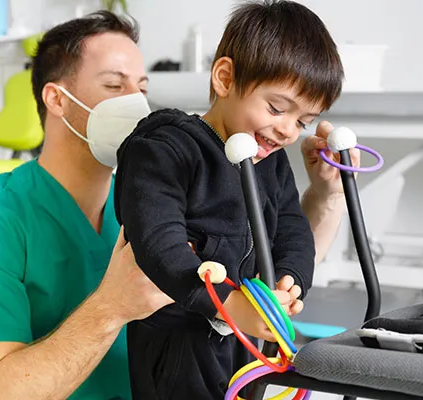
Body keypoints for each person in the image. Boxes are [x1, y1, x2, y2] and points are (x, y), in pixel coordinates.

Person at [0, 9, 358, 400]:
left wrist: (328, 193)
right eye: (114, 85)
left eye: (142, 87)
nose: (134, 102)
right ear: (57, 99)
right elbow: (1, 393)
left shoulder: (162, 195)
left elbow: (270, 251)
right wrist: (111, 307)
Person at [113, 1, 345, 398]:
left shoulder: (271, 162)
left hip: (244, 344)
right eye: (277, 108)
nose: (289, 131)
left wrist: (291, 281)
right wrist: (228, 305)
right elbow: (158, 244)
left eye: (303, 121)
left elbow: (292, 228)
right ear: (225, 78)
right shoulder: (164, 148)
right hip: (178, 347)